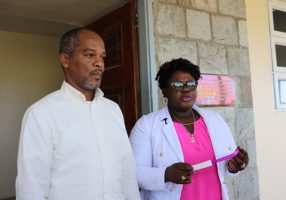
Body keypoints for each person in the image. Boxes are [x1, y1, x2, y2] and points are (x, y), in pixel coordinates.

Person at [16, 28, 140, 200]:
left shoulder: (113, 110)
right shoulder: (41, 114)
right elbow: (31, 187)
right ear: (66, 59)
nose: (100, 64)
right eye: (90, 55)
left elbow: (127, 171)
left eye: (102, 57)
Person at [129, 58, 249, 200]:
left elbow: (226, 165)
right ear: (164, 90)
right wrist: (166, 174)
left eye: (191, 84)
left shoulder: (215, 120)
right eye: (177, 85)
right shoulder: (146, 125)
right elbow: (134, 174)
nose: (186, 89)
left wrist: (234, 166)